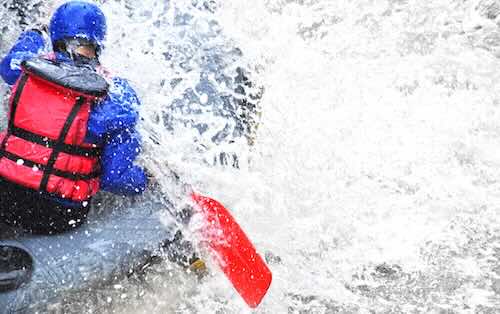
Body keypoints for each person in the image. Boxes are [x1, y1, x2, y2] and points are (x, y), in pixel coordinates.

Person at [0, 1, 204, 292]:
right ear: (99, 43)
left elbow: (16, 53)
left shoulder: (22, 68)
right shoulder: (116, 97)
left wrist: (37, 29)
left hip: (6, 198)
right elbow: (116, 178)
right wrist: (148, 179)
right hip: (56, 214)